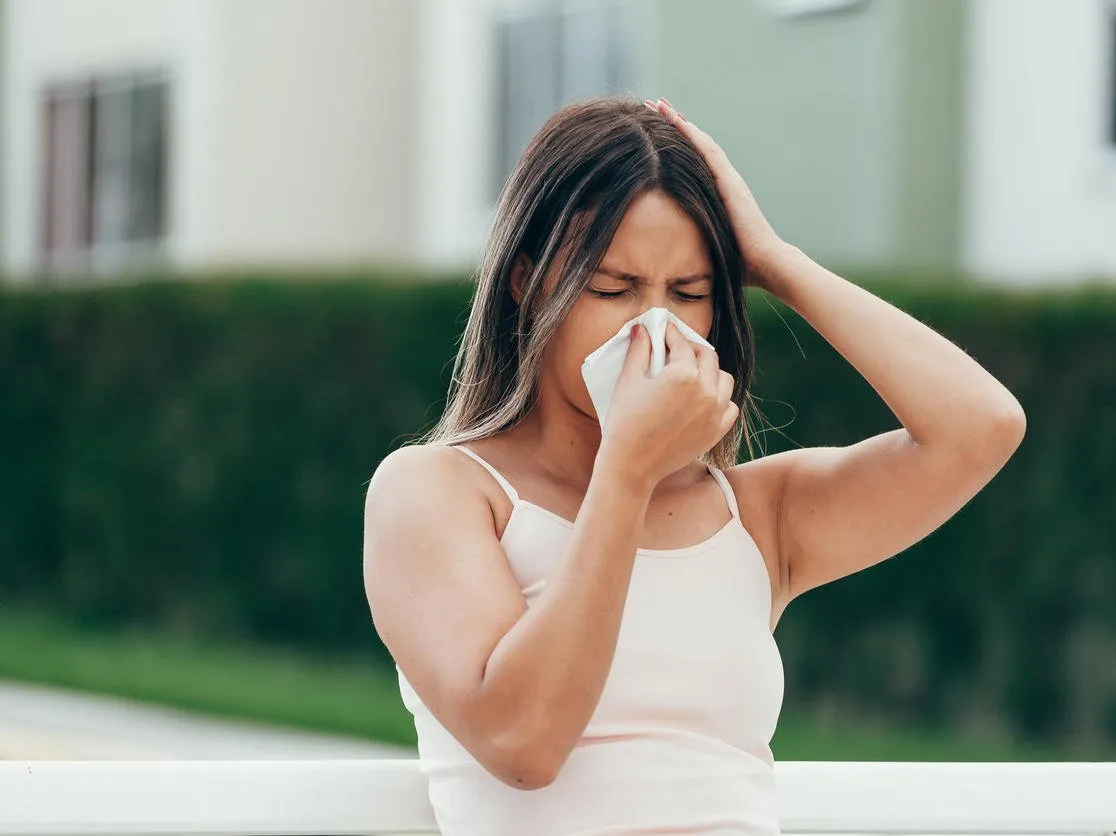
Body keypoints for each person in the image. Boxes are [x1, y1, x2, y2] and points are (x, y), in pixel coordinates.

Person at [362, 96, 1025, 835]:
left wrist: (776, 261)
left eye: (690, 292)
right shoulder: (435, 491)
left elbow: (981, 428)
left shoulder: (757, 516)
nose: (655, 325)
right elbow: (523, 742)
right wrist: (626, 472)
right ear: (527, 281)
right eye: (612, 289)